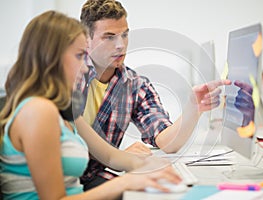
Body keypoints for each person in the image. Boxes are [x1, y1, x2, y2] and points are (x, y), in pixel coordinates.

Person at [0, 10, 182, 200]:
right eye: (79, 56)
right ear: (52, 57)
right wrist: (125, 182)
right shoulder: (38, 111)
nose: (86, 66)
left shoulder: (62, 110)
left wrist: (152, 168)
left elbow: (110, 157)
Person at [79, 0, 231, 190]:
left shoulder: (134, 85)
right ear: (86, 39)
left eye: (124, 35)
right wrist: (123, 157)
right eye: (109, 37)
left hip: (94, 177)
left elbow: (167, 142)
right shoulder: (69, 75)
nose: (120, 45)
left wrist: (194, 108)